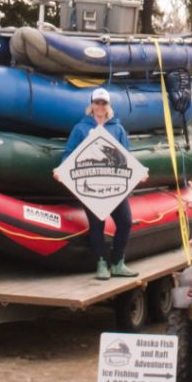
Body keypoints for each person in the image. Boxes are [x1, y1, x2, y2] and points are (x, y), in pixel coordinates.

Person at [64, 87, 135, 279]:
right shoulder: (80, 129)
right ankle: (101, 264)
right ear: (91, 104)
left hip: (115, 186)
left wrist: (138, 174)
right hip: (91, 187)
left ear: (108, 105)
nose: (100, 106)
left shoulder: (117, 129)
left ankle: (118, 262)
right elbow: (68, 154)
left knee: (125, 222)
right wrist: (61, 170)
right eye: (97, 103)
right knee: (97, 225)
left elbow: (127, 157)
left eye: (104, 103)